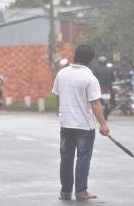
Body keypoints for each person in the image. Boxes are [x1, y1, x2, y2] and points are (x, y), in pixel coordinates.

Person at [52, 44, 110, 201]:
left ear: (75, 55)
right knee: (83, 157)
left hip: (66, 124)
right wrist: (103, 124)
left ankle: (65, 192)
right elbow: (95, 103)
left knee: (66, 158)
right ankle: (81, 192)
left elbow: (58, 96)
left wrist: (62, 111)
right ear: (90, 60)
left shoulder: (61, 74)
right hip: (84, 126)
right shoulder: (89, 78)